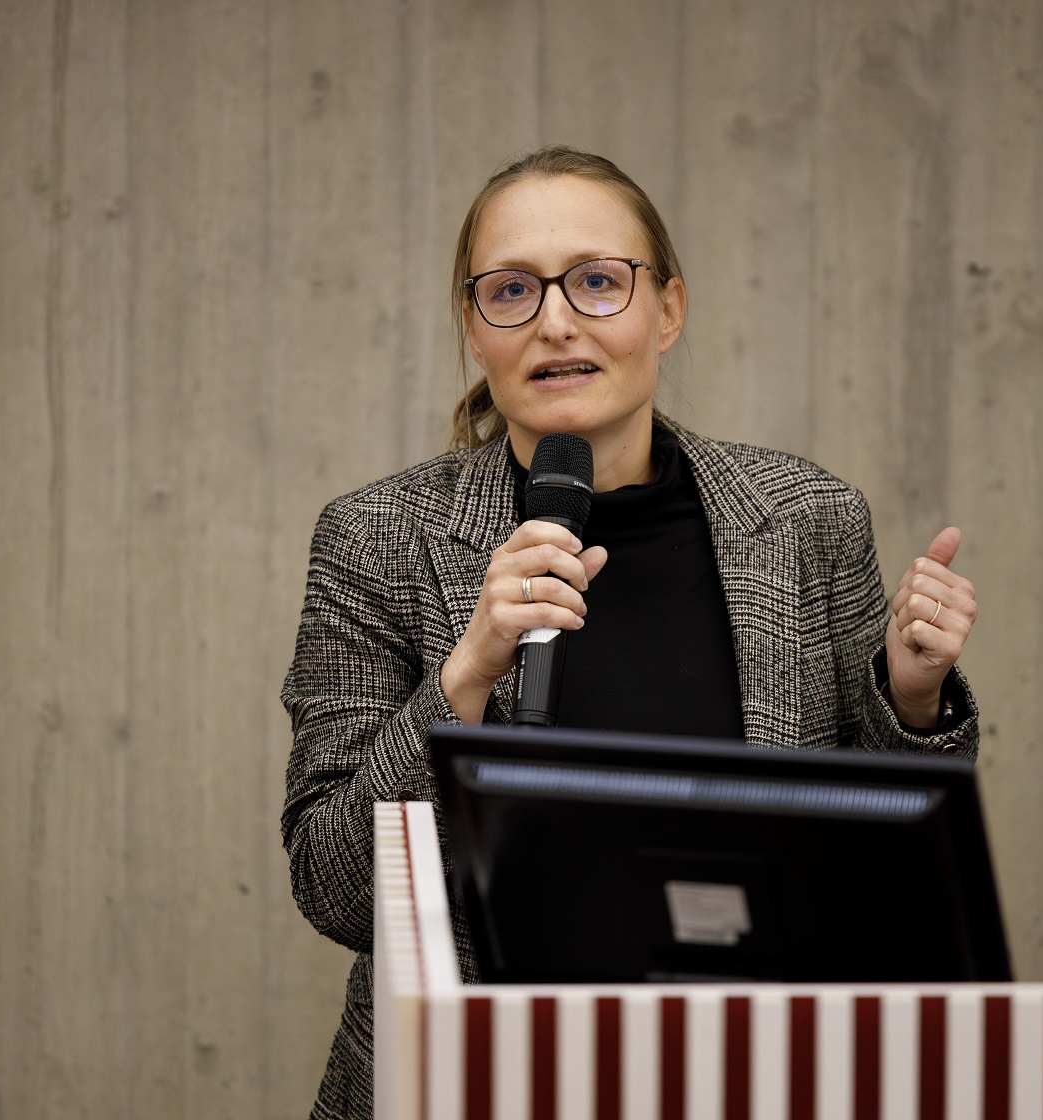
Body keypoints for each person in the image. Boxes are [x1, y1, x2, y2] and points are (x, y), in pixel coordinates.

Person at [281, 145, 981, 1120]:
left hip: (751, 1077)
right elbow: (334, 885)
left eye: (599, 282)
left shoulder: (808, 518)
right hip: (476, 1085)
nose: (557, 320)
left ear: (670, 311)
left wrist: (908, 697)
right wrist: (466, 675)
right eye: (512, 290)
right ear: (474, 329)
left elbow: (892, 878)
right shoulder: (377, 538)